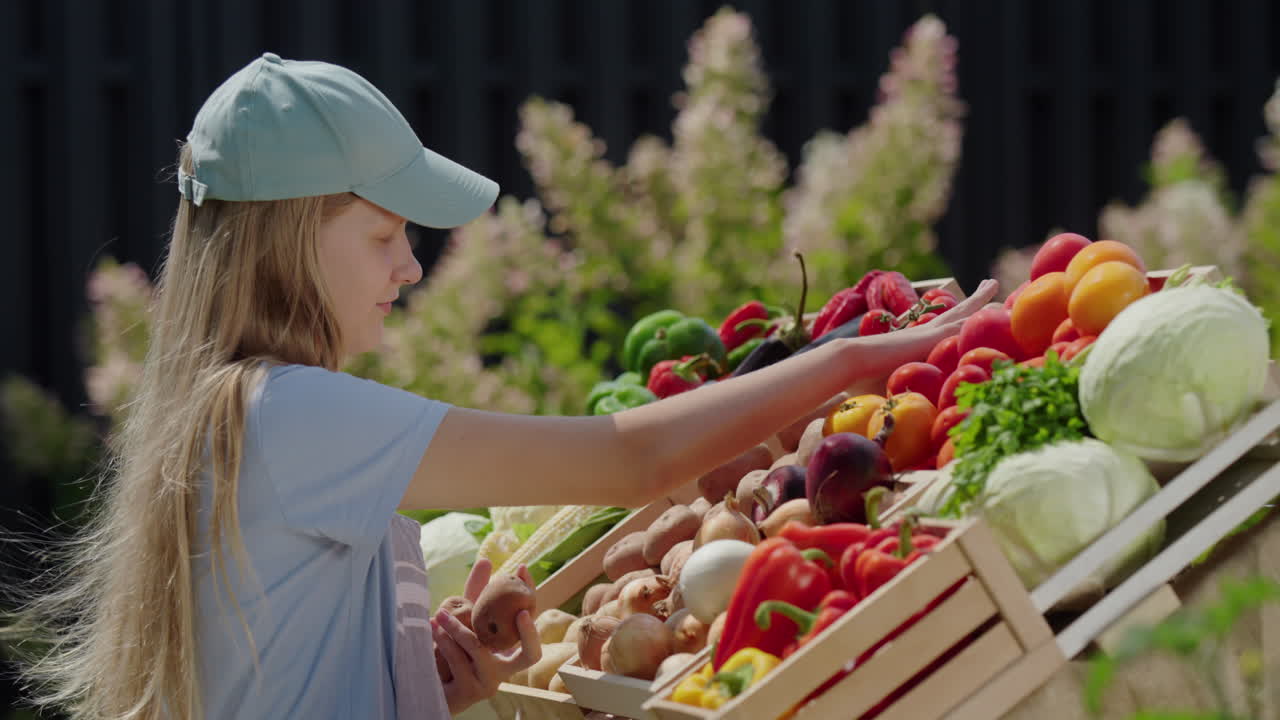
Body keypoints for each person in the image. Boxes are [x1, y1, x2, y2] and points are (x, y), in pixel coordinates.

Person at [4, 54, 997, 720]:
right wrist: (855, 358)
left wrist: (420, 672)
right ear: (289, 239)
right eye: (384, 234)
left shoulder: (228, 413)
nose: (410, 269)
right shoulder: (293, 411)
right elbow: (629, 458)